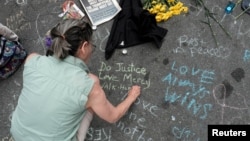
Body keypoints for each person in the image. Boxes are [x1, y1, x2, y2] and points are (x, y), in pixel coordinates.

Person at [10, 19, 141, 141]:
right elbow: (113, 116)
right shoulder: (90, 85)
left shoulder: (32, 60)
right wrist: (131, 97)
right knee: (88, 103)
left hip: (17, 134)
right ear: (84, 47)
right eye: (91, 45)